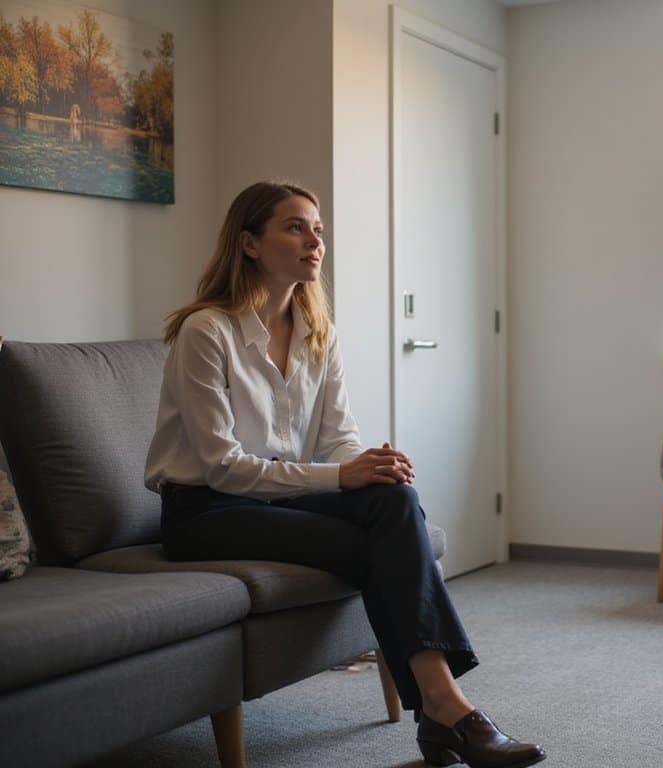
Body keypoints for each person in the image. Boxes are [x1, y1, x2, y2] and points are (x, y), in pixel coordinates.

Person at [144, 181, 545, 768]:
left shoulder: (317, 332)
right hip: (206, 509)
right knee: (367, 543)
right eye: (295, 227)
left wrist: (370, 469)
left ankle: (443, 705)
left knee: (394, 499)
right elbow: (223, 467)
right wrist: (340, 477)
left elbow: (337, 437)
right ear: (250, 243)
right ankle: (446, 710)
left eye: (318, 230)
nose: (315, 242)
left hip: (278, 497)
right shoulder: (207, 331)